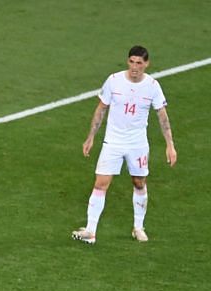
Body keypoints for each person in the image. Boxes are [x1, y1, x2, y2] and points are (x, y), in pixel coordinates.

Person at [72, 45, 177, 245]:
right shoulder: (114, 81)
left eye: (139, 63)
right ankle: (90, 231)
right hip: (113, 141)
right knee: (101, 183)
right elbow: (101, 109)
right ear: (127, 61)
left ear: (146, 64)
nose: (135, 67)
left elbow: (162, 116)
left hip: (137, 143)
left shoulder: (153, 86)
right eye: (131, 62)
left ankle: (138, 227)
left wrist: (170, 145)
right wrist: (91, 136)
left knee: (139, 182)